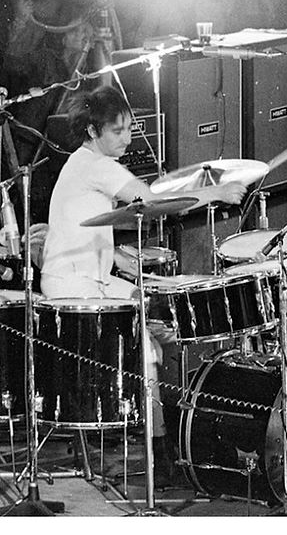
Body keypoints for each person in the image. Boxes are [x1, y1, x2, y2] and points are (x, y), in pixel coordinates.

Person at [40, 85, 246, 480]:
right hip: (73, 286)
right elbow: (151, 202)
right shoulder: (94, 165)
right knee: (148, 345)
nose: (128, 139)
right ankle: (160, 450)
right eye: (117, 131)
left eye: (130, 129)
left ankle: (170, 427)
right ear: (92, 132)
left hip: (87, 279)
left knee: (155, 311)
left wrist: (121, 262)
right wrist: (217, 191)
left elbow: (83, 230)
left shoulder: (83, 165)